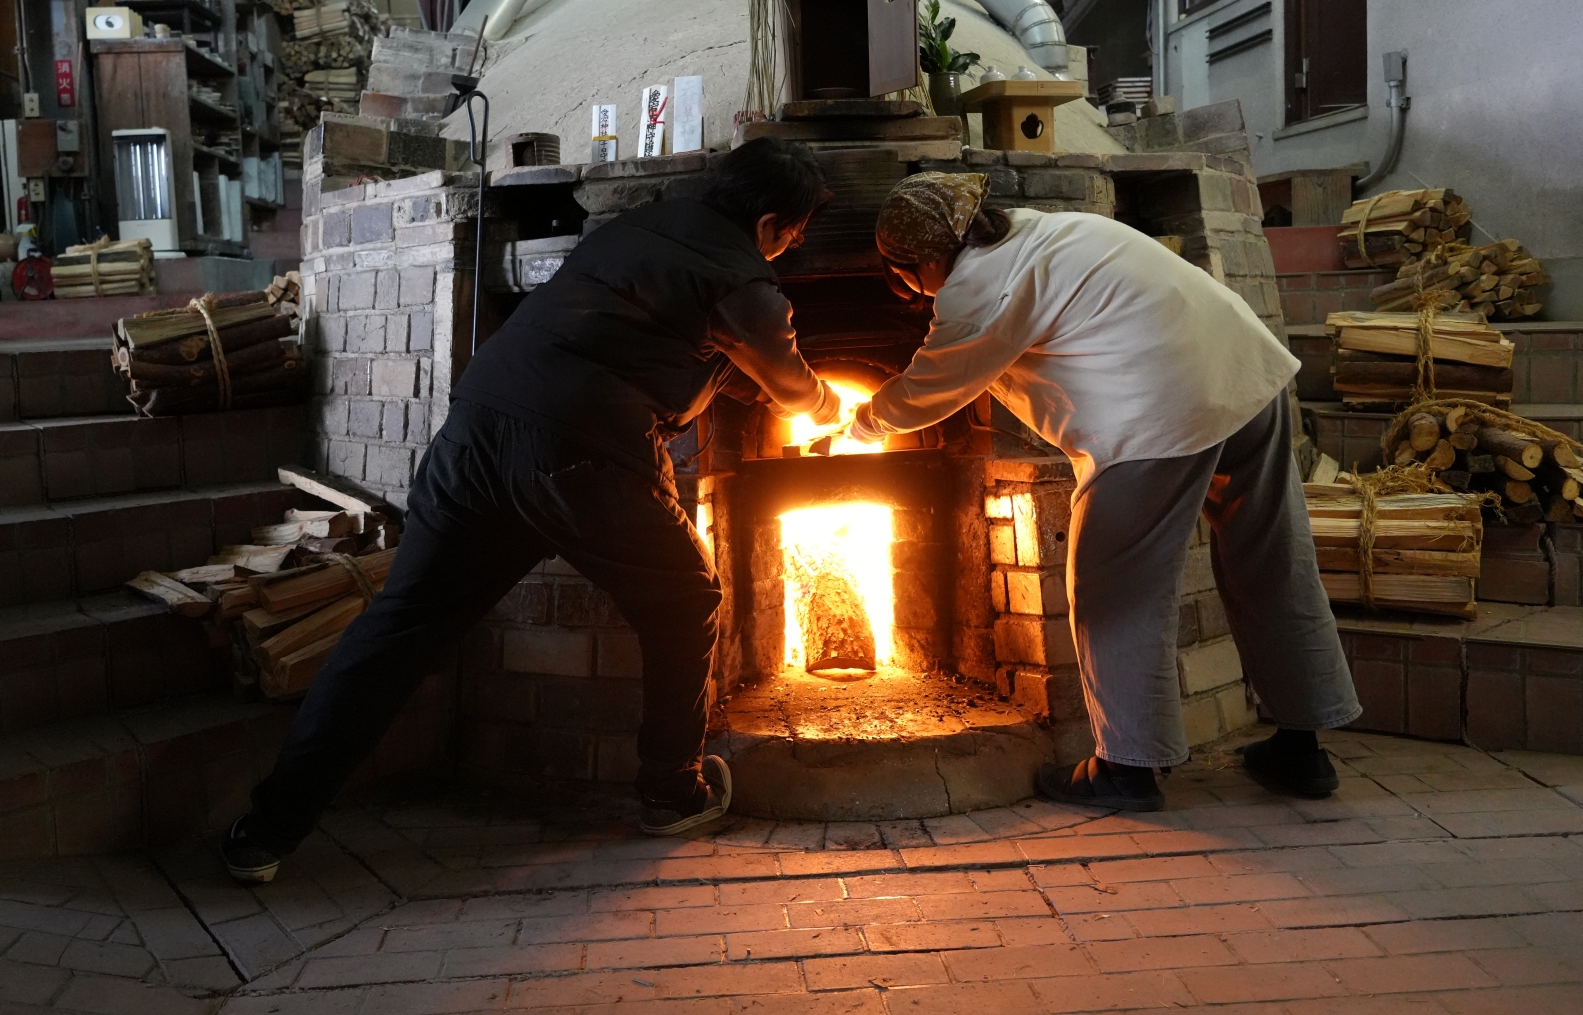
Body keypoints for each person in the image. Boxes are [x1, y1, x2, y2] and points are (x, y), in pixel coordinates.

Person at [223, 137, 842, 883]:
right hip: (579, 455)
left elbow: (642, 340)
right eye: (795, 233)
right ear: (772, 221)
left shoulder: (631, 228)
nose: (792, 247)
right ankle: (672, 790)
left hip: (475, 431)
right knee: (686, 599)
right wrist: (837, 407)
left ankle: (266, 831)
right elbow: (796, 390)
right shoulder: (747, 283)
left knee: (400, 627)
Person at [843, 172, 1361, 812]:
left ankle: (1126, 769)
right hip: (1247, 375)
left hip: (1162, 410)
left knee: (1113, 588)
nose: (915, 292)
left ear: (922, 262)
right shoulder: (1046, 230)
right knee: (1269, 555)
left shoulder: (976, 286)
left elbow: (930, 388)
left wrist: (857, 423)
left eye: (908, 277)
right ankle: (1301, 747)